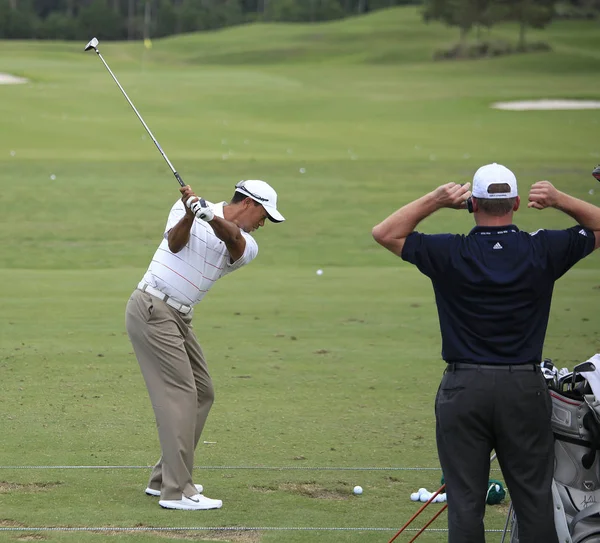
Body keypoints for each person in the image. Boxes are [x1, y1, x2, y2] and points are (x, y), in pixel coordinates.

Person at [372, 163, 600, 542]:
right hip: (524, 391)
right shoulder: (542, 248)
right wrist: (560, 200)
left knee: (465, 504)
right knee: (534, 501)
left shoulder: (450, 250)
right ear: (515, 203)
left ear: (471, 204)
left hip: (464, 390)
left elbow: (385, 232)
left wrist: (436, 199)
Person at [126, 179, 285, 510]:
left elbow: (234, 240)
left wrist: (208, 216)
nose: (263, 223)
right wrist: (188, 214)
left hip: (180, 317)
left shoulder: (248, 245)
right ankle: (176, 491)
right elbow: (173, 244)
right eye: (264, 215)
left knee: (203, 391)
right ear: (249, 204)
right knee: (182, 395)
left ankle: (163, 478)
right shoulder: (184, 208)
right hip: (153, 306)